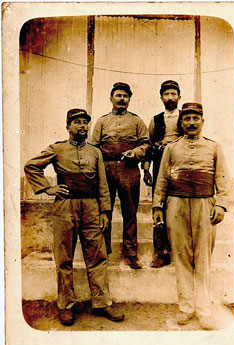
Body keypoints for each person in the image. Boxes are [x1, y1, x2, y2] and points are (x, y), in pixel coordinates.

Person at [24, 108, 124, 326]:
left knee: (97, 255)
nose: (82, 126)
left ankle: (102, 301)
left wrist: (105, 211)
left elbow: (102, 184)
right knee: (64, 256)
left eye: (85, 123)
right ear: (68, 126)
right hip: (65, 208)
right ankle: (67, 304)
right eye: (77, 122)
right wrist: (47, 188)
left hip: (91, 207)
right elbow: (31, 166)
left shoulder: (95, 152)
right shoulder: (58, 149)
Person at [152, 103, 230, 330]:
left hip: (204, 204)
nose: (192, 123)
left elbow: (223, 180)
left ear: (202, 122)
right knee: (181, 257)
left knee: (203, 258)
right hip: (176, 205)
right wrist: (158, 205)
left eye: (196, 118)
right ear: (182, 123)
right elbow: (162, 179)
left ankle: (204, 309)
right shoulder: (172, 147)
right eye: (187, 119)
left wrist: (222, 206)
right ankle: (186, 307)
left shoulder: (214, 147)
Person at [90, 82, 149, 270]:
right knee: (104, 211)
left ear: (129, 100)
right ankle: (104, 253)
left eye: (125, 96)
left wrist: (136, 153)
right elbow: (93, 147)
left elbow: (146, 144)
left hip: (129, 169)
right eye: (118, 95)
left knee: (130, 213)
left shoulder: (137, 121)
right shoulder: (101, 121)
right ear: (111, 99)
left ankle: (131, 254)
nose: (122, 99)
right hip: (105, 169)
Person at [143, 80, 182, 268]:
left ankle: (181, 251)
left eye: (173, 94)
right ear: (161, 98)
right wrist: (146, 168)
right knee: (158, 206)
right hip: (160, 165)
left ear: (179, 97)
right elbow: (149, 145)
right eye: (166, 94)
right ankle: (161, 253)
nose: (170, 98)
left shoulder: (185, 117)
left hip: (181, 165)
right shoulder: (156, 119)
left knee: (180, 206)